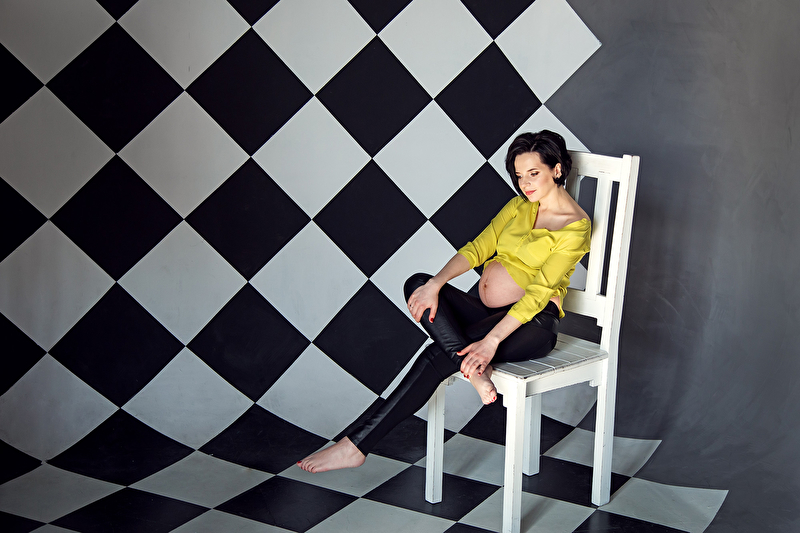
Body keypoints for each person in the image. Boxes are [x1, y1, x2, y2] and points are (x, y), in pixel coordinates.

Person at [298, 130, 591, 473]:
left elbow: (539, 294)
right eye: (518, 175)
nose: (524, 183)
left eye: (534, 173)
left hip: (531, 325)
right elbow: (477, 248)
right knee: (419, 285)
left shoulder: (574, 227)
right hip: (484, 314)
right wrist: (436, 283)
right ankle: (474, 368)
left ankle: (356, 446)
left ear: (557, 170)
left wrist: (490, 342)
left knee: (436, 355)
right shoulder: (519, 207)